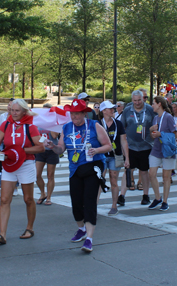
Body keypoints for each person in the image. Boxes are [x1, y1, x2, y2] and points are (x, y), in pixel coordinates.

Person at [44, 99, 111, 253]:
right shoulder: (66, 127)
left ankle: (89, 239)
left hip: (93, 166)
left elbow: (107, 145)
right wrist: (53, 146)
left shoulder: (94, 125)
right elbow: (61, 149)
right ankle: (81, 229)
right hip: (75, 168)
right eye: (72, 114)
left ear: (83, 113)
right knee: (76, 202)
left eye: (76, 114)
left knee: (89, 200)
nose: (73, 117)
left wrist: (97, 150)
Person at [0, 99, 44, 244]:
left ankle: (30, 228)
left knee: (28, 199)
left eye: (17, 111)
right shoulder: (6, 124)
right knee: (4, 199)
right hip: (9, 164)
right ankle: (2, 234)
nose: (13, 113)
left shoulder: (30, 127)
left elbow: (40, 147)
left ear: (24, 112)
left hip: (26, 164)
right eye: (12, 110)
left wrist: (19, 152)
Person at [120, 90, 155, 205]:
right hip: (131, 146)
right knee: (128, 170)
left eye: (139, 100)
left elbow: (156, 124)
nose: (137, 102)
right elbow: (122, 128)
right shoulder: (127, 110)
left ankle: (146, 195)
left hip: (146, 146)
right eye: (135, 100)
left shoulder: (149, 109)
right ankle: (122, 196)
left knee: (144, 171)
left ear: (143, 98)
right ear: (132, 100)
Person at [98, 100, 129, 215]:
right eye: (110, 108)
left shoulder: (118, 124)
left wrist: (127, 159)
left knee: (114, 180)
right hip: (101, 155)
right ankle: (94, 206)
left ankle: (114, 205)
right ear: (104, 111)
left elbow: (124, 141)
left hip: (115, 155)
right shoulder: (97, 123)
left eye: (113, 108)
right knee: (99, 180)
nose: (113, 110)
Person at [148, 96, 177, 211]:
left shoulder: (168, 117)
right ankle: (157, 197)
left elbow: (175, 135)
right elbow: (152, 136)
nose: (152, 106)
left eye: (153, 103)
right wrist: (152, 131)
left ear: (159, 104)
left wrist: (161, 134)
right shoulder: (155, 118)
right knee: (152, 174)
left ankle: (165, 201)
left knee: (166, 177)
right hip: (156, 148)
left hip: (167, 150)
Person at [35, 103, 60, 206]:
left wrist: (50, 123)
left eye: (47, 111)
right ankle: (42, 193)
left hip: (52, 150)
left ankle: (49, 197)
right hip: (41, 150)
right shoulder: (38, 122)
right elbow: (35, 135)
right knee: (37, 175)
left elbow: (54, 135)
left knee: (50, 175)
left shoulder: (55, 122)